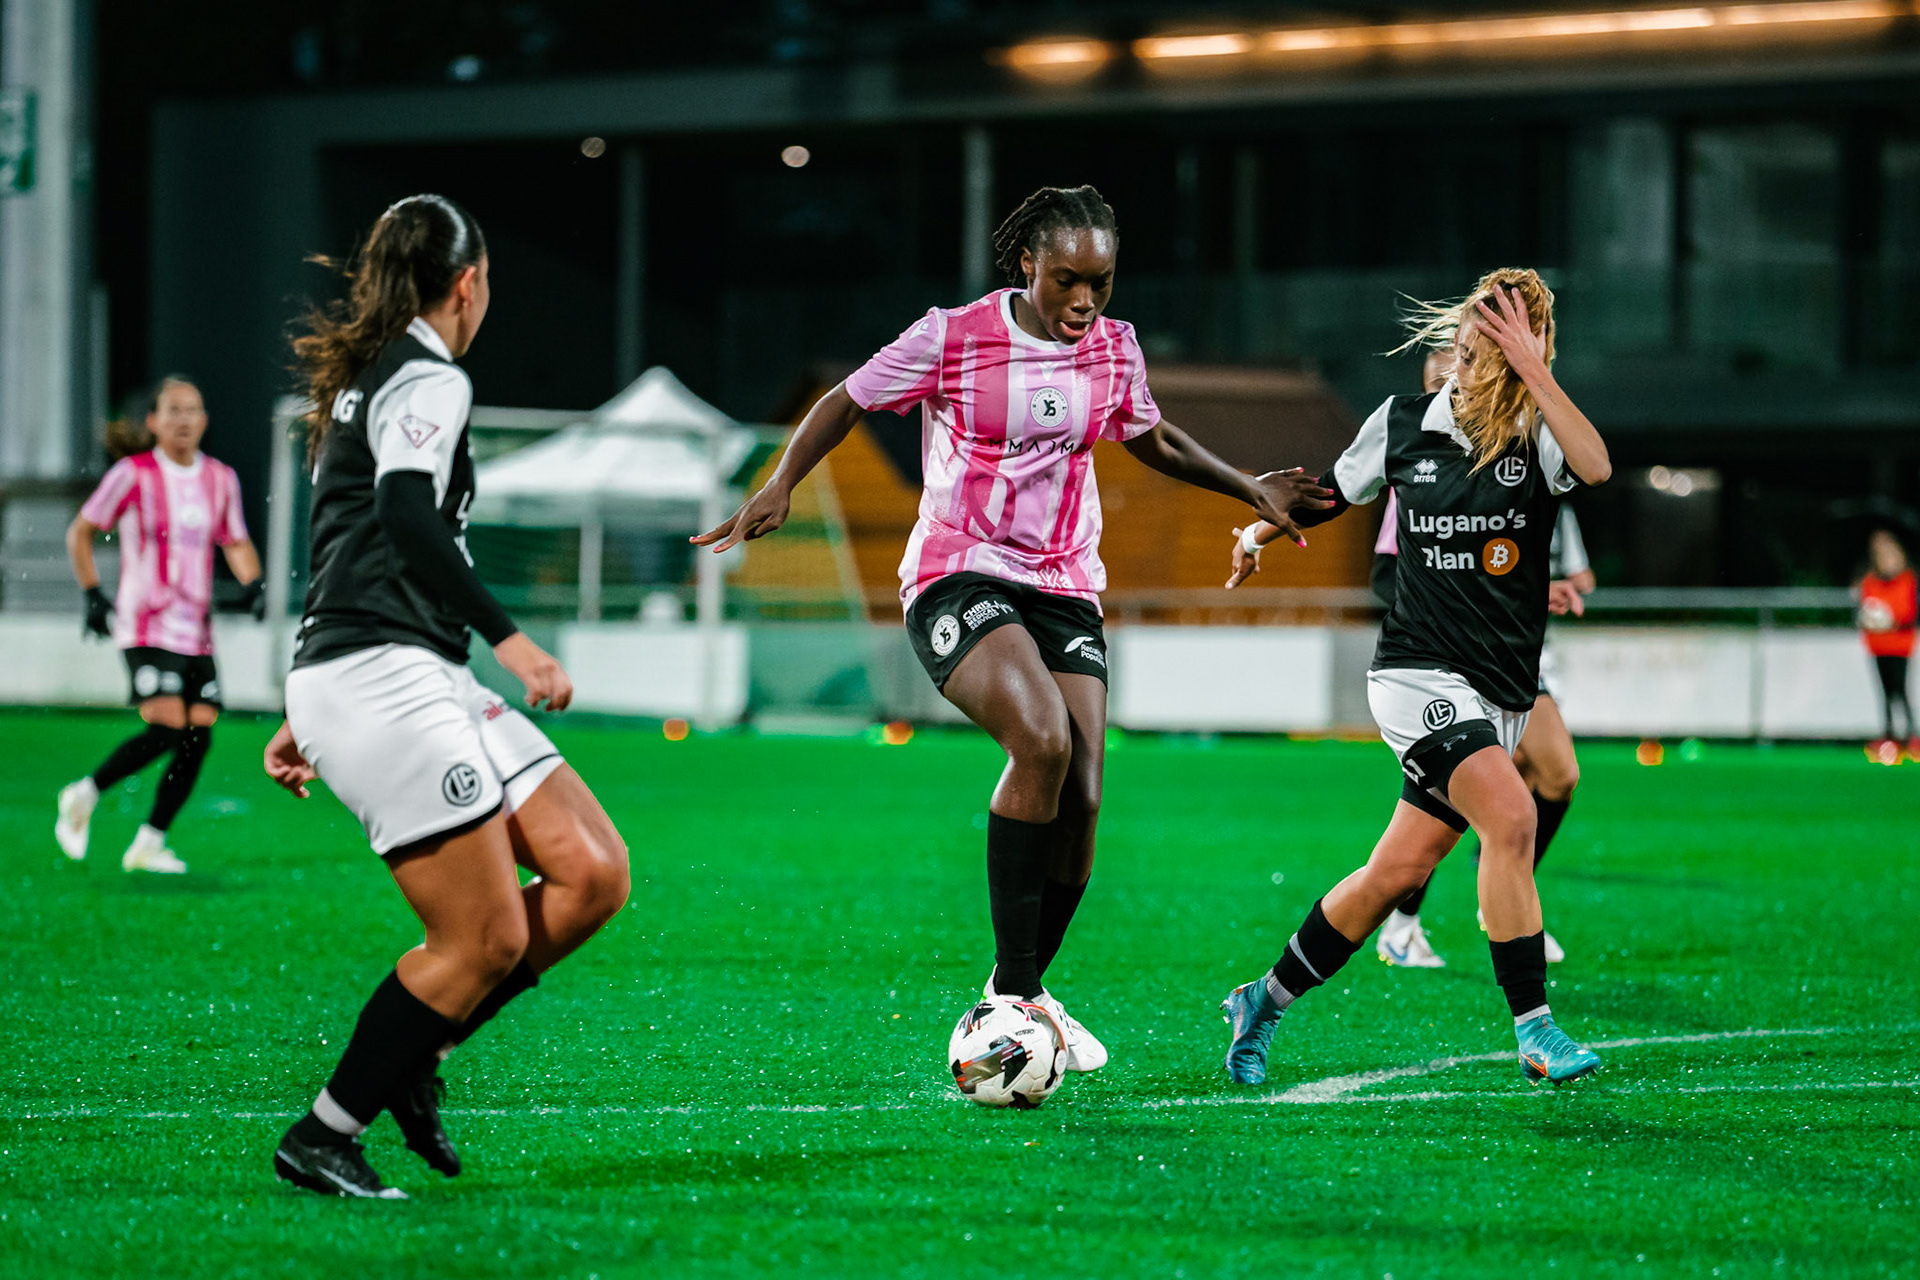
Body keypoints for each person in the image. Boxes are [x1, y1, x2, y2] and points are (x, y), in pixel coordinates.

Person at [693, 185, 1329, 1073]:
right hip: (959, 572)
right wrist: (782, 480)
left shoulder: (1113, 348)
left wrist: (1246, 485)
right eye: (1067, 279)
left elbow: (1151, 439)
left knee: (1086, 797)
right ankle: (1012, 1001)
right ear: (1026, 263)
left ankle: (1018, 995)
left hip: (1065, 582)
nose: (1084, 301)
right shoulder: (951, 338)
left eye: (1100, 283)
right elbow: (845, 398)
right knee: (1041, 741)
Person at [264, 194, 630, 1198]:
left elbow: (351, 533)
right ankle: (327, 1131)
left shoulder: (378, 374)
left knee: (591, 870)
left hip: (403, 665)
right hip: (384, 670)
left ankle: (413, 1049)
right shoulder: (430, 373)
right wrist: (514, 640)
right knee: (485, 937)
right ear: (466, 283)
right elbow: (400, 514)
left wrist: (308, 701)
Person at [1218, 268, 1611, 1087]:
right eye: (1463, 349)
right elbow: (1333, 493)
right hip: (1414, 675)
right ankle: (1535, 1030)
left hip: (1500, 687)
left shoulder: (1537, 431)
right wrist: (1257, 535)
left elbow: (1598, 467)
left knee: (1393, 874)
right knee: (1511, 818)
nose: (1466, 367)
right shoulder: (1402, 423)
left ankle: (1264, 999)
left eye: (1488, 354)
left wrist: (1535, 371)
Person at [1365, 352, 1594, 968]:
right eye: (1439, 379)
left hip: (1510, 657)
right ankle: (1406, 926)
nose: (1453, 388)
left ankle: (1503, 899)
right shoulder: (1419, 465)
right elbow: (1388, 576)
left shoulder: (1524, 450)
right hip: (1442, 659)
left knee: (1557, 774)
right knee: (1459, 807)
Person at [55, 377, 264, 874]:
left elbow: (234, 539)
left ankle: (150, 842)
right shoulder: (133, 474)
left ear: (204, 421)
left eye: (193, 410)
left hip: (196, 627)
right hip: (146, 622)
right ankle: (84, 793)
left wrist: (254, 583)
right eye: (173, 410)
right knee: (168, 724)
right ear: (153, 421)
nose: (184, 420)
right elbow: (81, 530)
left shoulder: (220, 478)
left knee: (199, 733)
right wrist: (91, 593)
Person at [1854, 529, 1916, 753]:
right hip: (1878, 645)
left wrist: (1890, 620)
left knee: (1900, 690)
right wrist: (1870, 620)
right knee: (1885, 692)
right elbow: (1865, 609)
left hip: (1900, 646)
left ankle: (1910, 734)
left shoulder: (1907, 580)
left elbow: (1909, 613)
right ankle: (1889, 735)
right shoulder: (1870, 581)